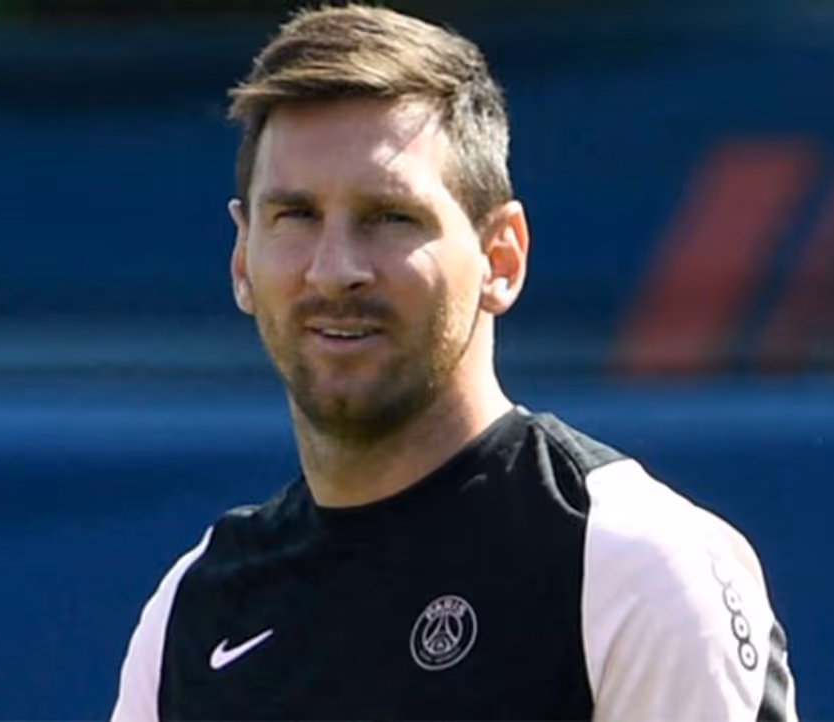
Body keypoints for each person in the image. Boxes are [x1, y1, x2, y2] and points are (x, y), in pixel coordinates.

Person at [111, 5, 798, 720]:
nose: (335, 270)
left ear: (501, 257)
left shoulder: (631, 565)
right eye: (296, 216)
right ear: (241, 258)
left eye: (390, 217)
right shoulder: (194, 610)